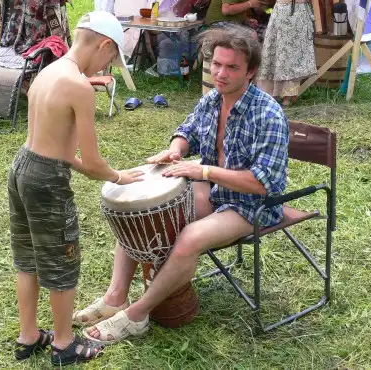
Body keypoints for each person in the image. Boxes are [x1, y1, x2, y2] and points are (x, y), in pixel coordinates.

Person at [74, 25, 289, 345]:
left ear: (251, 72)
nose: (221, 73)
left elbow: (262, 183)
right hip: (216, 192)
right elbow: (186, 132)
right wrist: (176, 149)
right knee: (142, 214)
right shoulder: (213, 100)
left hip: (253, 205)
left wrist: (205, 171)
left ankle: (137, 315)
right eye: (217, 64)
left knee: (189, 238)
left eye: (232, 67)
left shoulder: (267, 113)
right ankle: (115, 297)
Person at [8, 11, 144, 364]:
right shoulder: (80, 88)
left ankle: (28, 336)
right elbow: (93, 163)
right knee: (62, 262)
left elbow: (65, 153)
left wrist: (107, 173)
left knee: (28, 258)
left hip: (22, 168)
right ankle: (64, 344)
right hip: (47, 182)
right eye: (110, 60)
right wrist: (118, 176)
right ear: (104, 45)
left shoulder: (47, 72)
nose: (106, 67)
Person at [256, 0, 327, 106]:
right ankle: (288, 96)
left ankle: (269, 92)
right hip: (299, 15)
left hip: (281, 11)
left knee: (274, 50)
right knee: (295, 55)